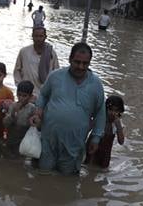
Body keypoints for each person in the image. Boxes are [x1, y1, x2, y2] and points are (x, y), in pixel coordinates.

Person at [30, 42, 106, 175]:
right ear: (70, 59)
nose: (81, 67)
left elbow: (100, 112)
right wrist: (38, 111)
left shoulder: (96, 84)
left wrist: (96, 138)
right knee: (43, 174)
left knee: (67, 178)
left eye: (85, 63)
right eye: (77, 62)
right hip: (49, 138)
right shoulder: (55, 76)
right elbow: (43, 95)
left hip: (75, 143)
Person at [13, 27, 59, 96]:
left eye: (41, 36)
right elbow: (17, 71)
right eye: (36, 36)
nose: (38, 39)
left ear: (45, 37)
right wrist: (20, 87)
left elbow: (56, 74)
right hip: (27, 93)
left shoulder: (51, 53)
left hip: (45, 93)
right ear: (32, 36)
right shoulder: (24, 52)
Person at [85, 95, 124, 168]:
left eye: (116, 111)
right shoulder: (100, 119)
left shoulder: (117, 124)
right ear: (105, 109)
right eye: (111, 110)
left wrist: (118, 126)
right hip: (92, 149)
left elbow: (121, 141)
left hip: (105, 154)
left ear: (120, 112)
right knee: (87, 166)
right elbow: (87, 129)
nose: (113, 113)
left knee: (103, 170)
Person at [3, 81, 36, 153]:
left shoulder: (32, 108)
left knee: (20, 159)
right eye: (19, 95)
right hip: (11, 138)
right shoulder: (13, 106)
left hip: (23, 140)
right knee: (8, 157)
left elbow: (34, 124)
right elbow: (5, 123)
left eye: (24, 96)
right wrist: (13, 113)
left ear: (30, 96)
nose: (21, 98)